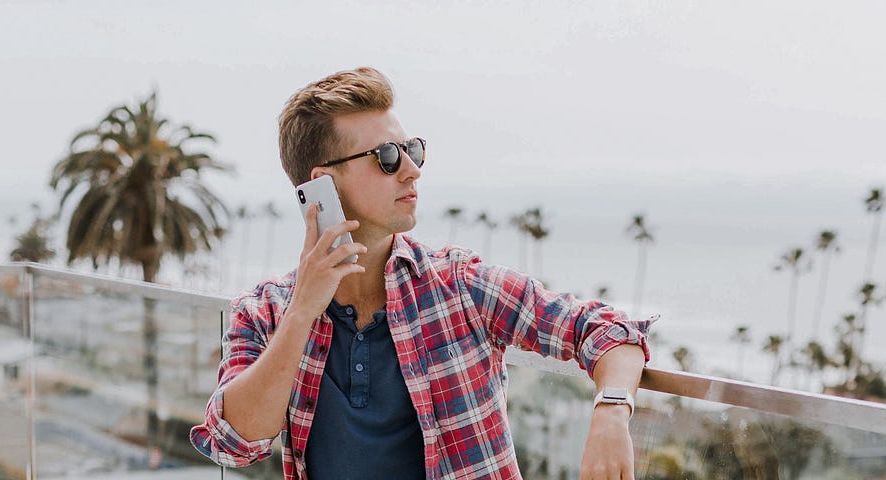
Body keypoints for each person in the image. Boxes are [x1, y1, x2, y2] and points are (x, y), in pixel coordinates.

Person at [189, 67, 656, 480]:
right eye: (387, 157)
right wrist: (301, 314)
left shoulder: (460, 287)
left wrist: (611, 413)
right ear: (322, 186)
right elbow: (234, 443)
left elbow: (609, 330)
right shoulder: (263, 312)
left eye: (413, 150)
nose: (412, 171)